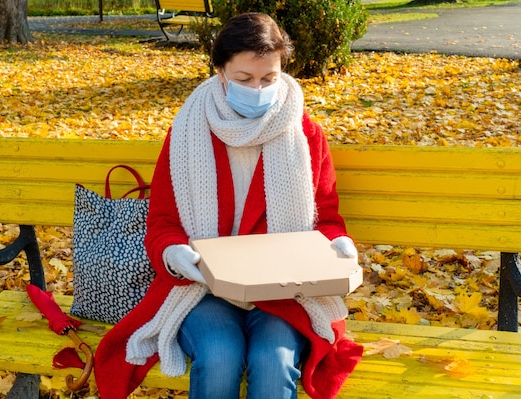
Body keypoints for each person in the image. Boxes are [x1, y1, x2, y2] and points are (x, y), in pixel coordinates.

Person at [94, 12, 363, 399]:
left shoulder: (304, 133)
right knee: (220, 354)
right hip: (203, 290)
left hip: (283, 293)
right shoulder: (187, 131)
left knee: (275, 360)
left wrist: (337, 243)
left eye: (268, 78)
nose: (258, 89)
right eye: (244, 79)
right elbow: (163, 222)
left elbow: (327, 218)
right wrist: (173, 252)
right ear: (221, 72)